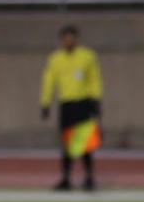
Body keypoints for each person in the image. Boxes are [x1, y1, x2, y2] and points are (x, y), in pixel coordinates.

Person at [39, 24, 103, 191]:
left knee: (85, 144)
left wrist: (96, 100)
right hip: (66, 105)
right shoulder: (55, 59)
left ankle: (89, 177)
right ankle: (66, 178)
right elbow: (48, 81)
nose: (68, 41)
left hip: (83, 103)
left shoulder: (87, 57)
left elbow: (94, 79)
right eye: (65, 38)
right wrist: (45, 103)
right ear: (61, 40)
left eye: (71, 38)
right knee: (67, 144)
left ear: (76, 39)